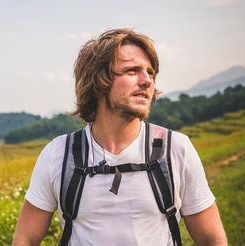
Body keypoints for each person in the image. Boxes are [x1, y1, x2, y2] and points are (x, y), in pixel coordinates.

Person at [12, 28, 227, 246]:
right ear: (98, 81)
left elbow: (212, 239)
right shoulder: (59, 154)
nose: (147, 81)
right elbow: (25, 239)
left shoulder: (176, 149)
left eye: (151, 73)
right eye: (132, 71)